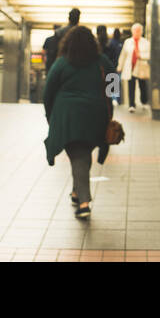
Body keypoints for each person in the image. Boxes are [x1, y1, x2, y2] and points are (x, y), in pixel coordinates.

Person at [43, 25, 115, 220]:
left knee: (78, 156)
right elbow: (113, 82)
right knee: (82, 155)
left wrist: (51, 117)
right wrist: (110, 103)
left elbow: (48, 91)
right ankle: (76, 192)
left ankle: (84, 203)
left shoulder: (62, 63)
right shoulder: (102, 62)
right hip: (95, 115)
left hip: (68, 117)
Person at [117, 22, 150, 111]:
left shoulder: (146, 42)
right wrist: (120, 66)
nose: (137, 32)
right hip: (130, 67)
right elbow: (123, 55)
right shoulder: (128, 42)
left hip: (141, 67)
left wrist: (141, 56)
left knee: (142, 86)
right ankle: (132, 105)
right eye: (135, 30)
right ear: (132, 31)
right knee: (131, 86)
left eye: (138, 31)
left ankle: (144, 102)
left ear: (141, 32)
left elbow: (150, 55)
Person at [43, 8, 80, 73]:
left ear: (69, 18)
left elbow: (51, 52)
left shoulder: (59, 33)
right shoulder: (83, 33)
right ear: (78, 19)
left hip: (61, 64)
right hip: (78, 65)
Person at [103, 29, 123, 104]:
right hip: (116, 65)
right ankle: (115, 99)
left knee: (112, 81)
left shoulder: (111, 43)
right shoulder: (119, 43)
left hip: (113, 65)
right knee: (116, 82)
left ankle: (113, 99)